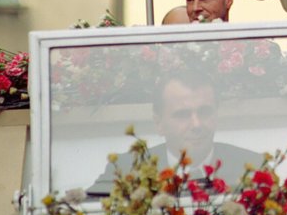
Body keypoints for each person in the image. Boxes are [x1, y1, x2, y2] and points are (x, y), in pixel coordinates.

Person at [87, 69, 264, 195]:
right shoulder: (127, 170)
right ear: (159, 123)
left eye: (205, 112)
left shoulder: (253, 167)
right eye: (183, 114)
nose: (196, 124)